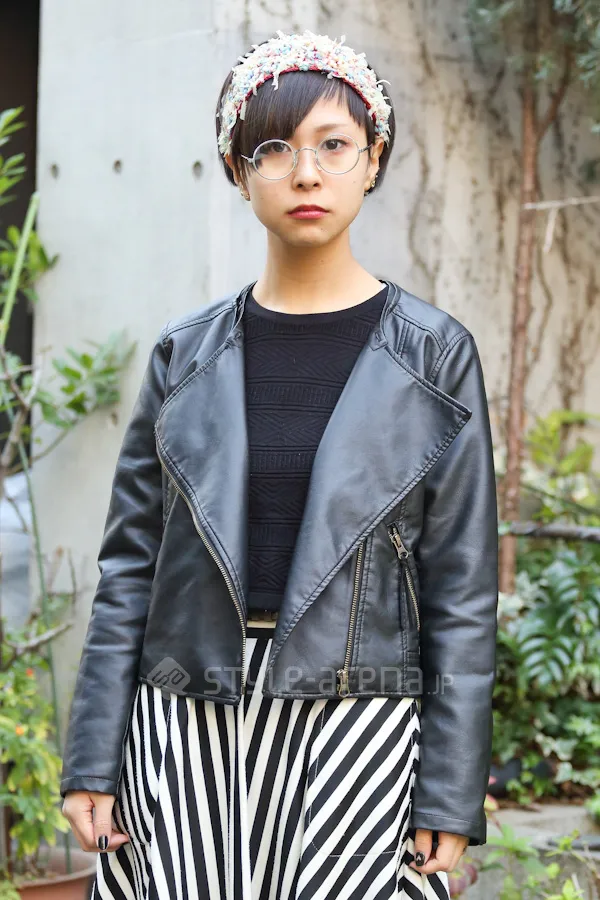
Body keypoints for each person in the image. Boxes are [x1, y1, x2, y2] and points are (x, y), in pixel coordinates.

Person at [60, 29, 499, 900]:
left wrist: (450, 791)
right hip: (186, 716)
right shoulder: (183, 354)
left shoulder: (435, 355)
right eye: (274, 149)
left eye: (334, 146)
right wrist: (93, 759)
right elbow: (129, 568)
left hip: (359, 726)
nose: (306, 174)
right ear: (237, 169)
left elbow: (462, 590)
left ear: (373, 161)